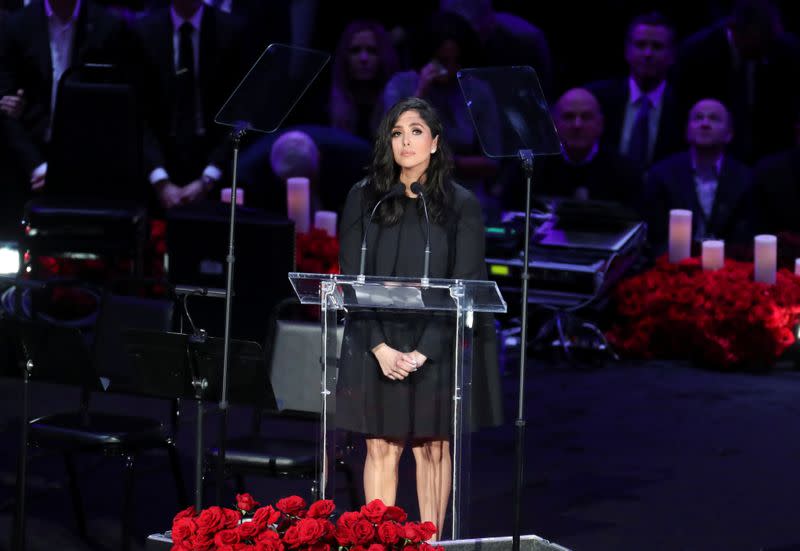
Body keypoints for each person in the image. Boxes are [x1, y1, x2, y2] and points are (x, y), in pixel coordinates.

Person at [337, 96, 501, 539]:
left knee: (432, 449)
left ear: (435, 142)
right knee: (382, 447)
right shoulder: (365, 198)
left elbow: (464, 283)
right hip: (377, 344)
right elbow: (350, 281)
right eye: (396, 133)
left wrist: (423, 352)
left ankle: (432, 544)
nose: (406, 141)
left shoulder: (459, 204)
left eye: (415, 132)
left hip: (436, 346)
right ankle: (377, 543)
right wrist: (380, 348)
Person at [502, 87, 642, 214]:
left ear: (600, 124)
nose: (577, 125)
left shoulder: (625, 173)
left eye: (586, 117)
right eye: (568, 117)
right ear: (554, 124)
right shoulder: (529, 169)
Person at [642, 98, 754, 256]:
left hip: (728, 269)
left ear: (729, 134)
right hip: (672, 267)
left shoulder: (745, 179)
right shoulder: (662, 175)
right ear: (687, 130)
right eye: (698, 118)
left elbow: (744, 239)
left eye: (714, 118)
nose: (705, 123)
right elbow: (654, 237)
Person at [586, 12, 684, 171]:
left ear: (672, 55)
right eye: (641, 45)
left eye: (657, 46)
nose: (648, 53)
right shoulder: (597, 100)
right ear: (627, 51)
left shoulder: (684, 107)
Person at [329, 19, 399, 141]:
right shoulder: (326, 104)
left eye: (372, 51)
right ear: (345, 57)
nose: (363, 58)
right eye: (355, 50)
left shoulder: (396, 102)